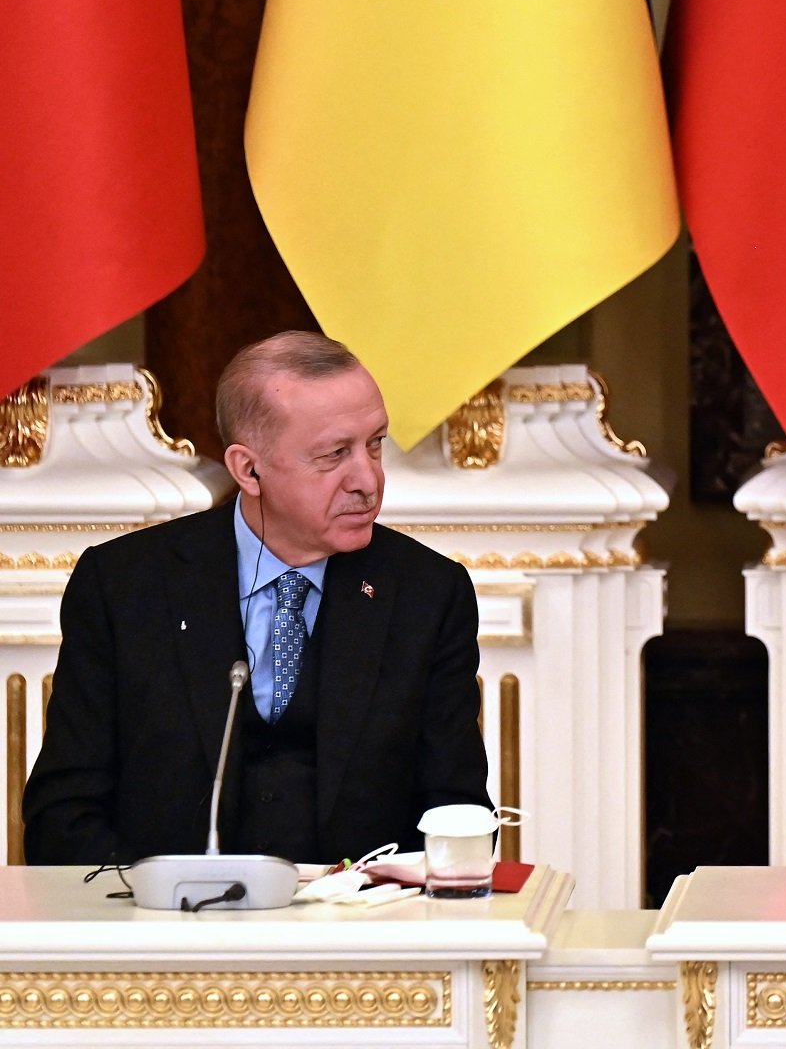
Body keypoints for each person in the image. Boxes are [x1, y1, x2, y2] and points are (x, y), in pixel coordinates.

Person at [23, 332, 490, 867]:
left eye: (376, 443)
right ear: (248, 469)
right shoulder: (125, 585)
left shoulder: (428, 594)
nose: (368, 478)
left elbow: (459, 817)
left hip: (359, 935)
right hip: (166, 931)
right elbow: (62, 816)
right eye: (335, 453)